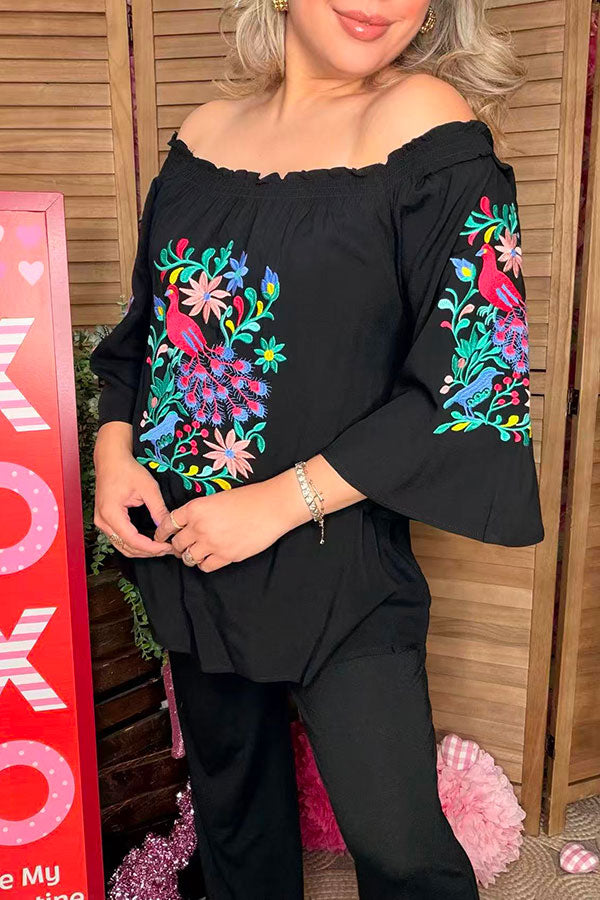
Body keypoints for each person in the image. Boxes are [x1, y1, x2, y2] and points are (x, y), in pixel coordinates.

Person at [90, 0, 545, 896]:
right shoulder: (204, 133)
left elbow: (477, 372)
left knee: (403, 853)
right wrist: (114, 453)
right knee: (235, 829)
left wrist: (276, 503)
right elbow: (148, 330)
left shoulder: (426, 124)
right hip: (189, 550)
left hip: (340, 564)